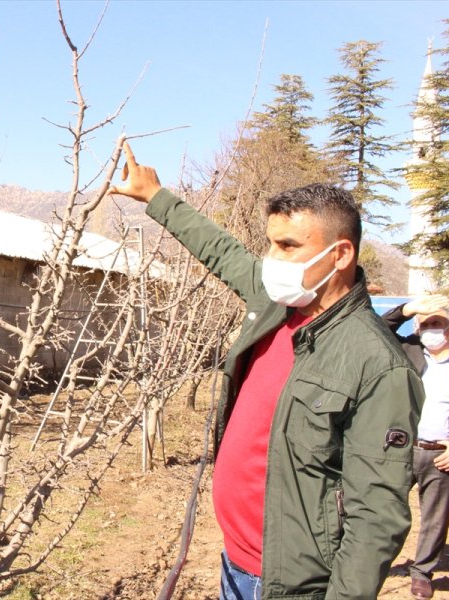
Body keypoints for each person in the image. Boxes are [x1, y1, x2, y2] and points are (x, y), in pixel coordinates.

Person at [109, 142, 424, 599]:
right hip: (235, 562)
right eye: (270, 243)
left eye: (288, 246)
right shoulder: (278, 303)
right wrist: (154, 195)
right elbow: (219, 250)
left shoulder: (377, 363)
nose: (271, 259)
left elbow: (377, 516)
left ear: (340, 255)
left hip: (290, 584)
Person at [381, 295, 449, 600]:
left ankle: (422, 572)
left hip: (443, 456)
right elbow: (380, 327)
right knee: (383, 508)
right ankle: (375, 561)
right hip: (401, 448)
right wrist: (408, 309)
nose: (431, 329)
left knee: (436, 518)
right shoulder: (408, 350)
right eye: (425, 324)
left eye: (437, 323)